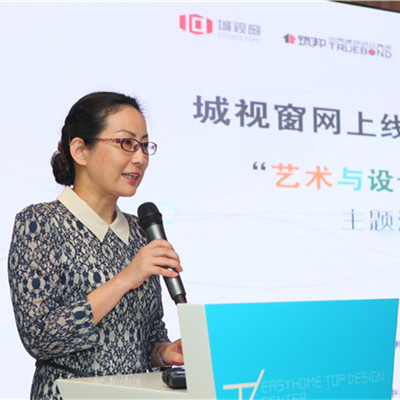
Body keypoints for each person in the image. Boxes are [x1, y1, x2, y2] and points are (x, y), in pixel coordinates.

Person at [8, 91, 184, 399]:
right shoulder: (40, 222)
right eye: (126, 143)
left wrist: (163, 353)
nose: (140, 158)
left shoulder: (140, 231)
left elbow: (148, 335)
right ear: (80, 150)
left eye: (144, 145)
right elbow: (40, 336)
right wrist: (125, 279)